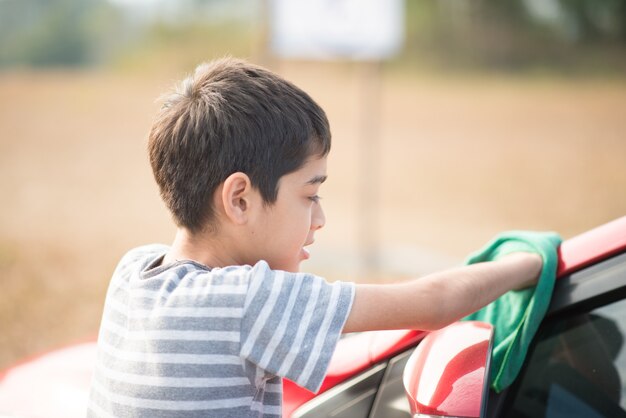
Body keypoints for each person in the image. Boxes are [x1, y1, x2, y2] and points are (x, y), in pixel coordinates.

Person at [87, 57, 543, 417]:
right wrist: (531, 260)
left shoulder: (133, 271)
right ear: (240, 199)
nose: (320, 218)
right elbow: (435, 304)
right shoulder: (247, 301)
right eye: (310, 194)